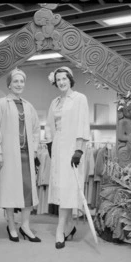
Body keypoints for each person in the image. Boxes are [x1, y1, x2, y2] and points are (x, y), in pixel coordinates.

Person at [0, 68, 41, 242]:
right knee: (9, 190)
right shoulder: (1, 104)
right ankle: (11, 225)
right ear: (9, 84)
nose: (19, 84)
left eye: (22, 81)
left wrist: (34, 150)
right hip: (8, 155)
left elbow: (35, 130)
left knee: (28, 192)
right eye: (16, 81)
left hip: (26, 156)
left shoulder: (28, 105)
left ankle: (25, 226)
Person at [45, 66, 90, 249]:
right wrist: (50, 146)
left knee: (68, 190)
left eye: (64, 78)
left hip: (73, 149)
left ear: (70, 79)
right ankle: (70, 226)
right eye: (58, 80)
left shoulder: (80, 99)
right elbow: (49, 125)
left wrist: (79, 150)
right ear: (55, 82)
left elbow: (83, 123)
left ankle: (60, 229)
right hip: (57, 149)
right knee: (62, 190)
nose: (61, 82)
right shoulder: (54, 102)